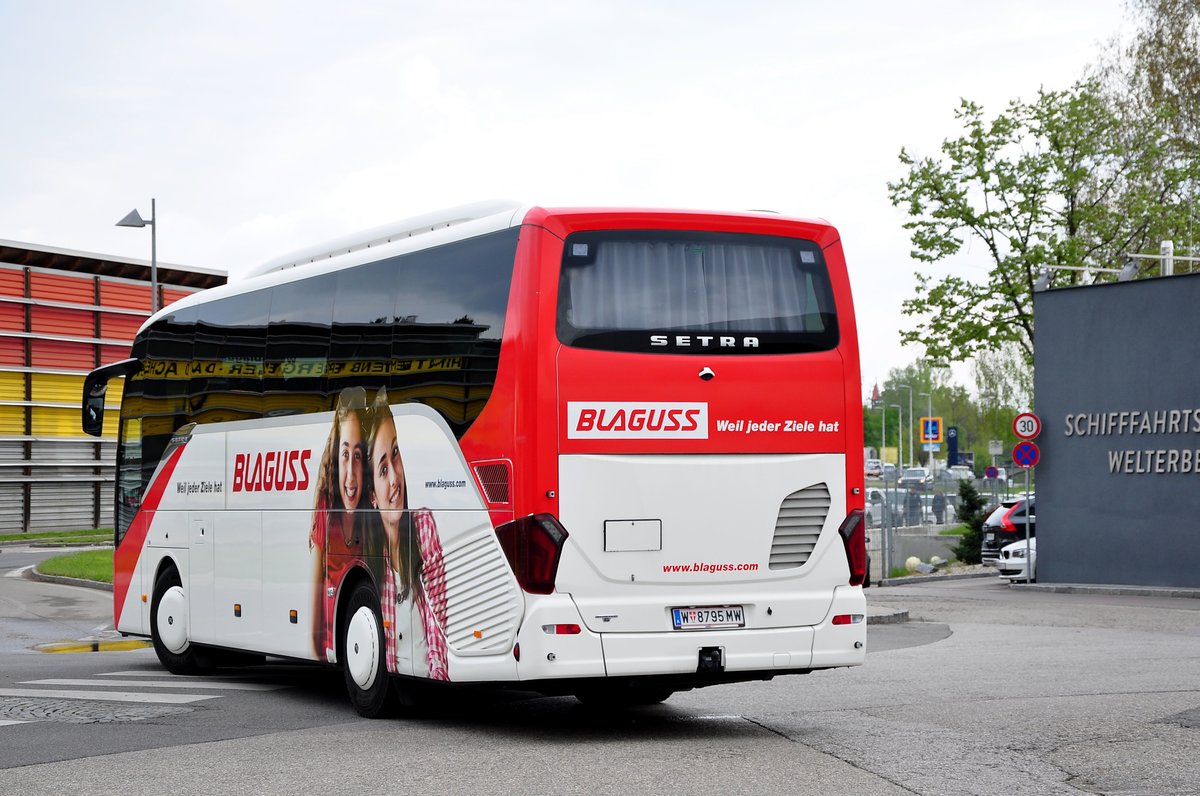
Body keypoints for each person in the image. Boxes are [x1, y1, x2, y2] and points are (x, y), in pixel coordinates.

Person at [366, 387, 449, 681]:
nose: (395, 480)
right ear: (373, 497)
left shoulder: (422, 524)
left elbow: (440, 619)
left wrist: (438, 673)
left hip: (431, 671)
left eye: (396, 455)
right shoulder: (373, 560)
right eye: (382, 469)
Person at [308, 387, 369, 662]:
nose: (351, 475)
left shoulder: (375, 513)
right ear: (335, 456)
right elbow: (313, 630)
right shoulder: (326, 507)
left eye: (358, 455)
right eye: (345, 455)